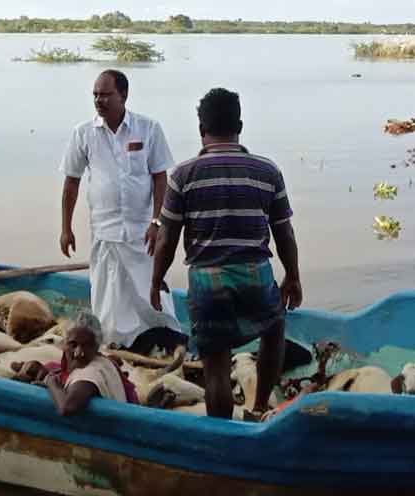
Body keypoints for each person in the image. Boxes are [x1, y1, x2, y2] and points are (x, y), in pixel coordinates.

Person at [151, 88, 303, 419]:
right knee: (274, 328)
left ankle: (222, 430)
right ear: (240, 125)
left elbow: (166, 238)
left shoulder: (183, 175)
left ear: (201, 128)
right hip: (255, 273)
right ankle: (260, 406)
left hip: (207, 280)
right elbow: (284, 232)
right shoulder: (267, 171)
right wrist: (292, 276)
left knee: (217, 365)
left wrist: (156, 279)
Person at [59, 69, 183, 352]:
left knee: (151, 288)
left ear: (123, 95)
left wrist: (157, 221)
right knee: (108, 293)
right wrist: (66, 228)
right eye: (95, 95)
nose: (99, 100)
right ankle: (114, 344)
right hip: (105, 229)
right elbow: (71, 182)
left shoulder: (148, 128)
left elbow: (160, 177)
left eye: (105, 94)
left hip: (143, 230)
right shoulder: (83, 133)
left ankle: (165, 337)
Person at [45, 310, 129, 416]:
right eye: (73, 344)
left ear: (97, 347)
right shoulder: (104, 362)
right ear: (64, 344)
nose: (79, 353)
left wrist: (52, 384)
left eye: (86, 345)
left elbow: (67, 408)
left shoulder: (89, 374)